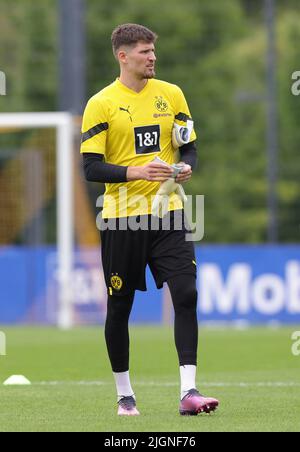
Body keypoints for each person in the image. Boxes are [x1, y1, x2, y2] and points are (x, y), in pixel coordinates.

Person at [81, 23, 219, 416]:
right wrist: (136, 172)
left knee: (187, 294)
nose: (152, 57)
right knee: (119, 306)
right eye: (144, 52)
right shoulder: (101, 103)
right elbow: (91, 168)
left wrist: (185, 168)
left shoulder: (172, 94)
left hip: (168, 212)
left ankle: (189, 393)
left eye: (153, 51)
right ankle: (125, 394)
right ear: (122, 56)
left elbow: (187, 148)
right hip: (122, 220)